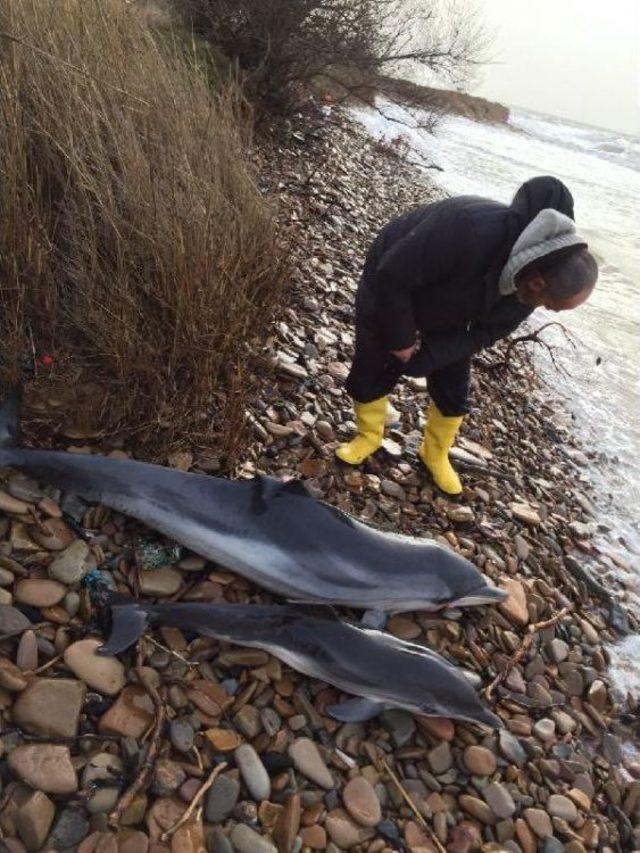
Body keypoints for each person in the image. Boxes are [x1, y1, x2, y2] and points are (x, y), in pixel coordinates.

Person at [335, 176, 598, 495]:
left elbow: (483, 334)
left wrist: (429, 358)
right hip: (391, 275)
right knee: (374, 359)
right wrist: (402, 340)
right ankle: (369, 435)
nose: (549, 312)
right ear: (538, 284)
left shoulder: (527, 291)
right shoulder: (467, 230)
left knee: (455, 385)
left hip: (457, 296)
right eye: (554, 307)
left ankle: (434, 453)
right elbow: (392, 275)